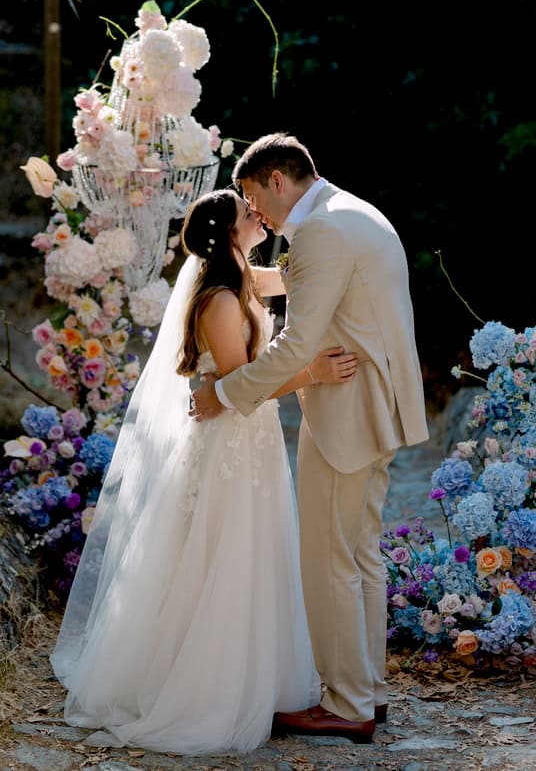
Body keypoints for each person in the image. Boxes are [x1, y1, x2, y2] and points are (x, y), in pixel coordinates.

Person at [50, 187, 358, 755]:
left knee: (251, 554)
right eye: (248, 212)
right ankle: (199, 686)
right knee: (220, 556)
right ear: (228, 231)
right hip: (225, 448)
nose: (257, 214)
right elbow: (243, 384)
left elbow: (295, 278)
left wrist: (332, 249)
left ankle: (254, 674)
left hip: (251, 442)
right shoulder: (218, 298)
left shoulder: (244, 275)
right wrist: (312, 371)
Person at [191, 133, 429, 744]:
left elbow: (297, 345)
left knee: (329, 561)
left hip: (346, 409)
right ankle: (368, 691)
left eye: (252, 197)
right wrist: (229, 264)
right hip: (379, 404)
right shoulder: (346, 212)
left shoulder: (322, 229)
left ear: (275, 180)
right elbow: (285, 282)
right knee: (362, 554)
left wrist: (224, 393)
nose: (257, 215)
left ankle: (346, 704)